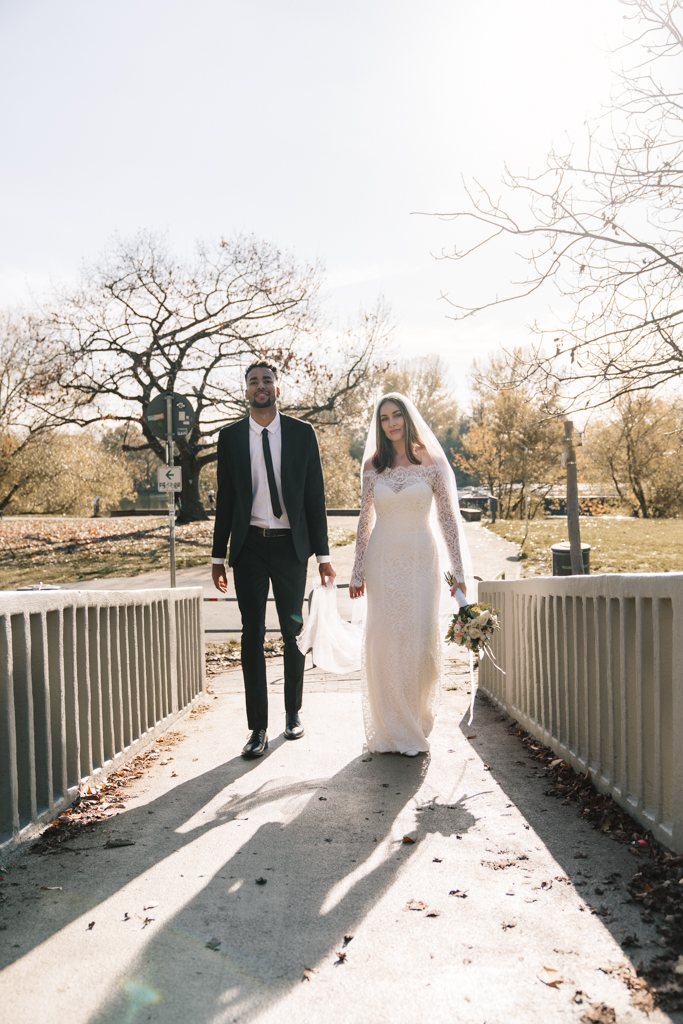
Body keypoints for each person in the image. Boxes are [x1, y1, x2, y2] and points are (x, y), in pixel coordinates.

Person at [211, 362, 336, 758]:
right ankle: (258, 728)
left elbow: (314, 497)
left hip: (289, 547)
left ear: (277, 389)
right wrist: (218, 555)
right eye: (253, 382)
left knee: (292, 632)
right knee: (251, 635)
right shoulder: (230, 437)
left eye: (267, 380)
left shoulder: (301, 434)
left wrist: (323, 556)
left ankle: (292, 714)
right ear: (245, 391)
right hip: (248, 546)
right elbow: (226, 499)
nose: (260, 386)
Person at [349, 393, 473, 756]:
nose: (391, 423)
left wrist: (459, 572)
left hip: (421, 559)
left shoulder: (431, 460)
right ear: (379, 424)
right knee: (385, 640)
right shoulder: (373, 465)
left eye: (397, 415)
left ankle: (415, 717)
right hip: (382, 560)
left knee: (417, 640)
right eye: (384, 418)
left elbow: (448, 519)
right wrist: (357, 572)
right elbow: (364, 521)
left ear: (407, 418)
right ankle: (390, 725)